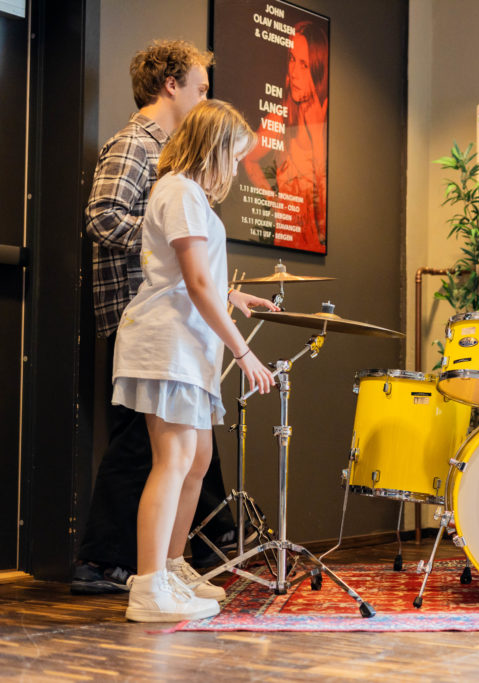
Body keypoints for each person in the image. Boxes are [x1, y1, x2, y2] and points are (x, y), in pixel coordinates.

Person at [76, 40, 237, 595]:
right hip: (142, 313)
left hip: (173, 317)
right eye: (200, 88)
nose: (204, 98)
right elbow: (102, 217)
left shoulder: (174, 159)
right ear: (171, 84)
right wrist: (162, 243)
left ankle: (175, 561)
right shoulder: (134, 144)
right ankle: (106, 563)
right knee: (143, 450)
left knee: (188, 454)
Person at [113, 99, 278, 622]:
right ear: (213, 147)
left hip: (188, 345)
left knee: (197, 459)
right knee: (175, 460)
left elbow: (191, 276)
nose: (236, 168)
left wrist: (233, 295)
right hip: (169, 344)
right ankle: (149, 586)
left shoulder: (187, 194)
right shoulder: (181, 191)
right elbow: (194, 282)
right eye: (235, 155)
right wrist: (244, 351)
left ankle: (172, 566)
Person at [243, 20, 328, 252]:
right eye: (292, 59)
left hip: (317, 247)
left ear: (318, 69)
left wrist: (316, 137)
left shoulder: (326, 118)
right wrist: (275, 204)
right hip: (286, 243)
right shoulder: (281, 116)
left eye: (304, 65)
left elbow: (323, 218)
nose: (294, 72)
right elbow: (248, 158)